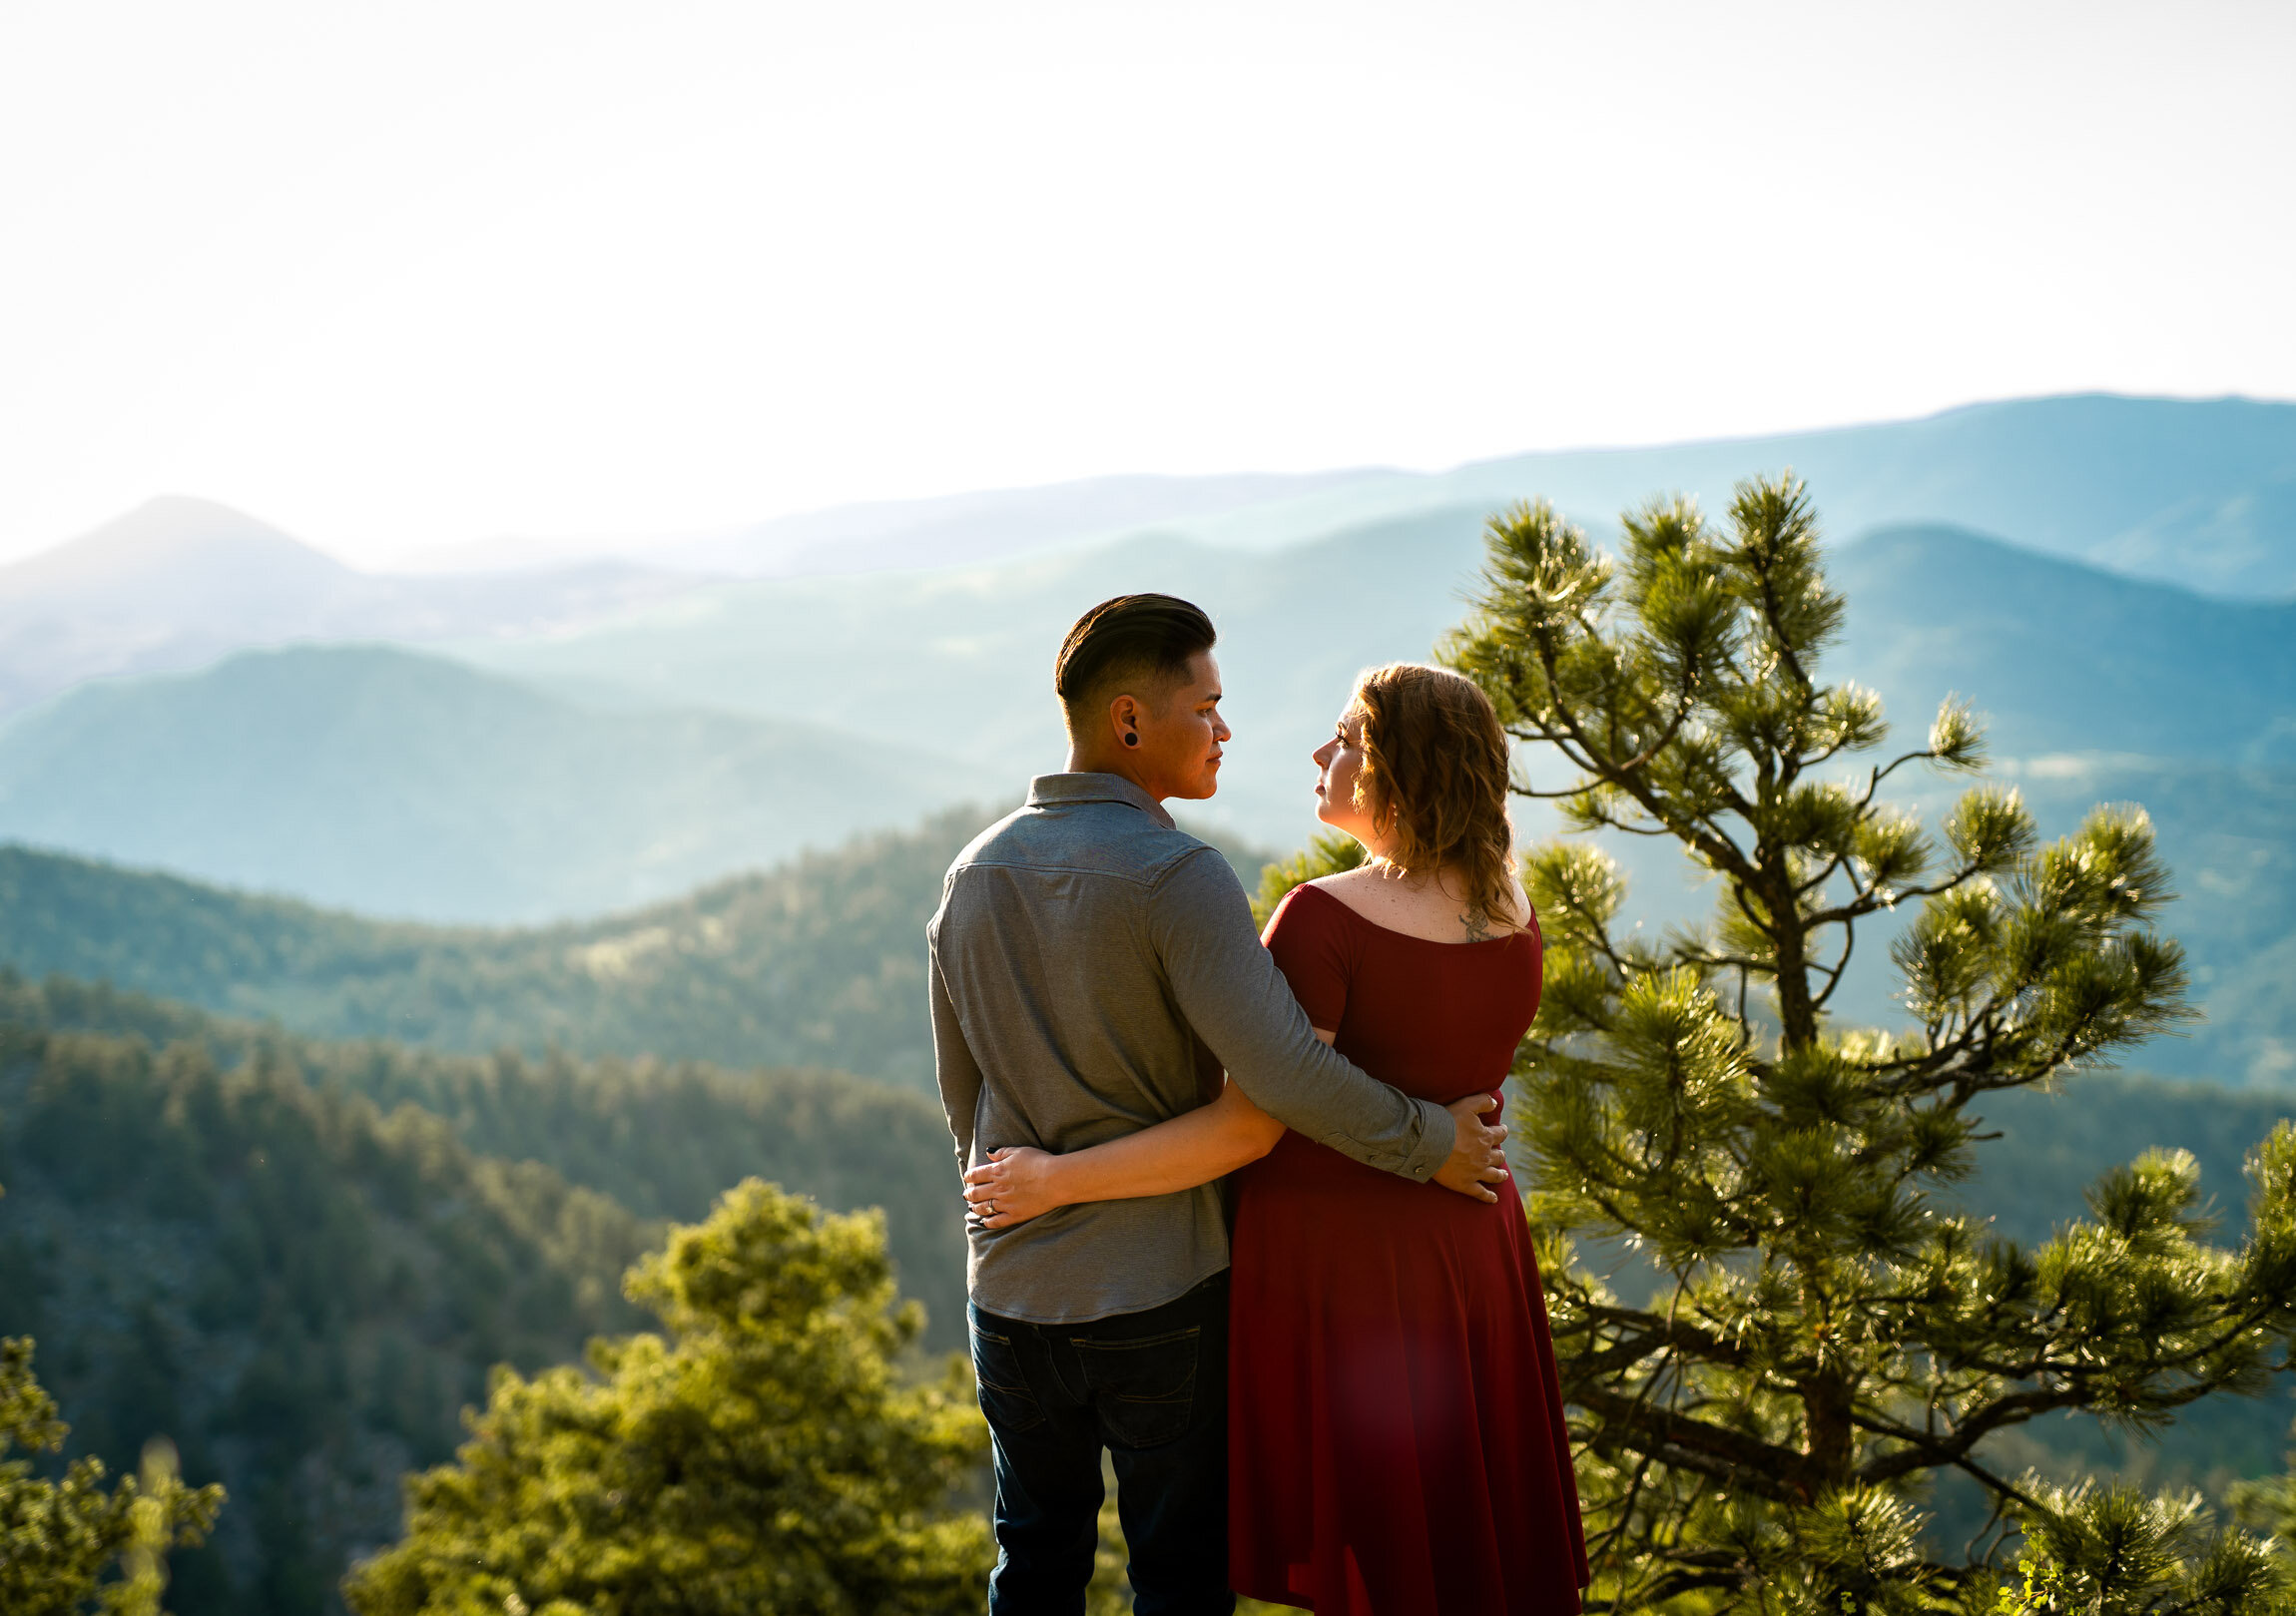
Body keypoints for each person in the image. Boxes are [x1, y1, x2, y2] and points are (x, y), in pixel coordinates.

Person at [965, 661, 1588, 1615]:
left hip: (1346, 1267)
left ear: (1400, 769)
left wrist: (1055, 1178)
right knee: (1452, 1542)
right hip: (1470, 1245)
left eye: (1348, 739)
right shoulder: (1513, 910)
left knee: (1370, 1545)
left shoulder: (1324, 919)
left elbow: (1247, 1125)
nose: (1319, 752)